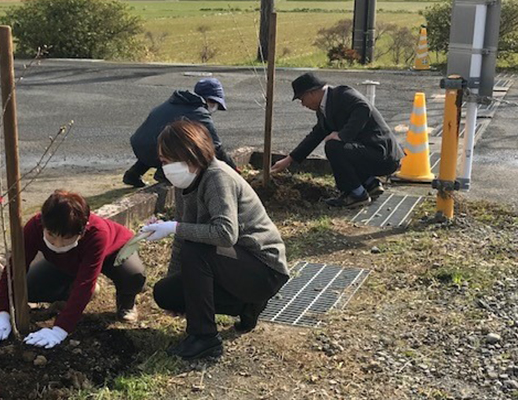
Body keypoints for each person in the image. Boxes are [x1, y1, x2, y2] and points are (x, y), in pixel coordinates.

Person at [142, 120, 290, 360]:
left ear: (189, 156)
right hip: (230, 265)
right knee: (165, 293)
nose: (165, 167)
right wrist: (177, 283)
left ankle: (204, 338)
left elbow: (225, 233)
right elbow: (182, 237)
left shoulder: (217, 177)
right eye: (163, 161)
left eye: (169, 160)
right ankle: (247, 306)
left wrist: (174, 227)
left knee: (196, 248)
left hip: (263, 268)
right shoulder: (184, 183)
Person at [0, 190, 145, 350]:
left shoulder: (97, 233)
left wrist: (60, 329)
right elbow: (13, 270)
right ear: (43, 224)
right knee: (29, 288)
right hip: (65, 262)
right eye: (51, 236)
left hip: (114, 253)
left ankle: (126, 302)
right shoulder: (34, 227)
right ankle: (68, 294)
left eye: (66, 238)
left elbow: (85, 283)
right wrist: (1, 316)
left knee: (133, 275)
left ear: (82, 230)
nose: (58, 244)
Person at [271, 73, 405, 208]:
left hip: (383, 155)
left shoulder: (342, 95)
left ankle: (356, 194)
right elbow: (316, 135)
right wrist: (289, 159)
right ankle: (370, 184)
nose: (302, 104)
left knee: (334, 146)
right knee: (337, 145)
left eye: (302, 99)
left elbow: (363, 108)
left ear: (311, 93)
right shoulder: (324, 108)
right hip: (371, 154)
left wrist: (342, 135)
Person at [123, 78, 238, 188]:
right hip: (158, 153)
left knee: (164, 140)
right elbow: (216, 146)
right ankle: (163, 173)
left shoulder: (175, 102)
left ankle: (133, 174)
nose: (214, 107)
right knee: (192, 147)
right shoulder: (199, 112)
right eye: (213, 102)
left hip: (140, 145)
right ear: (205, 99)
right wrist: (234, 170)